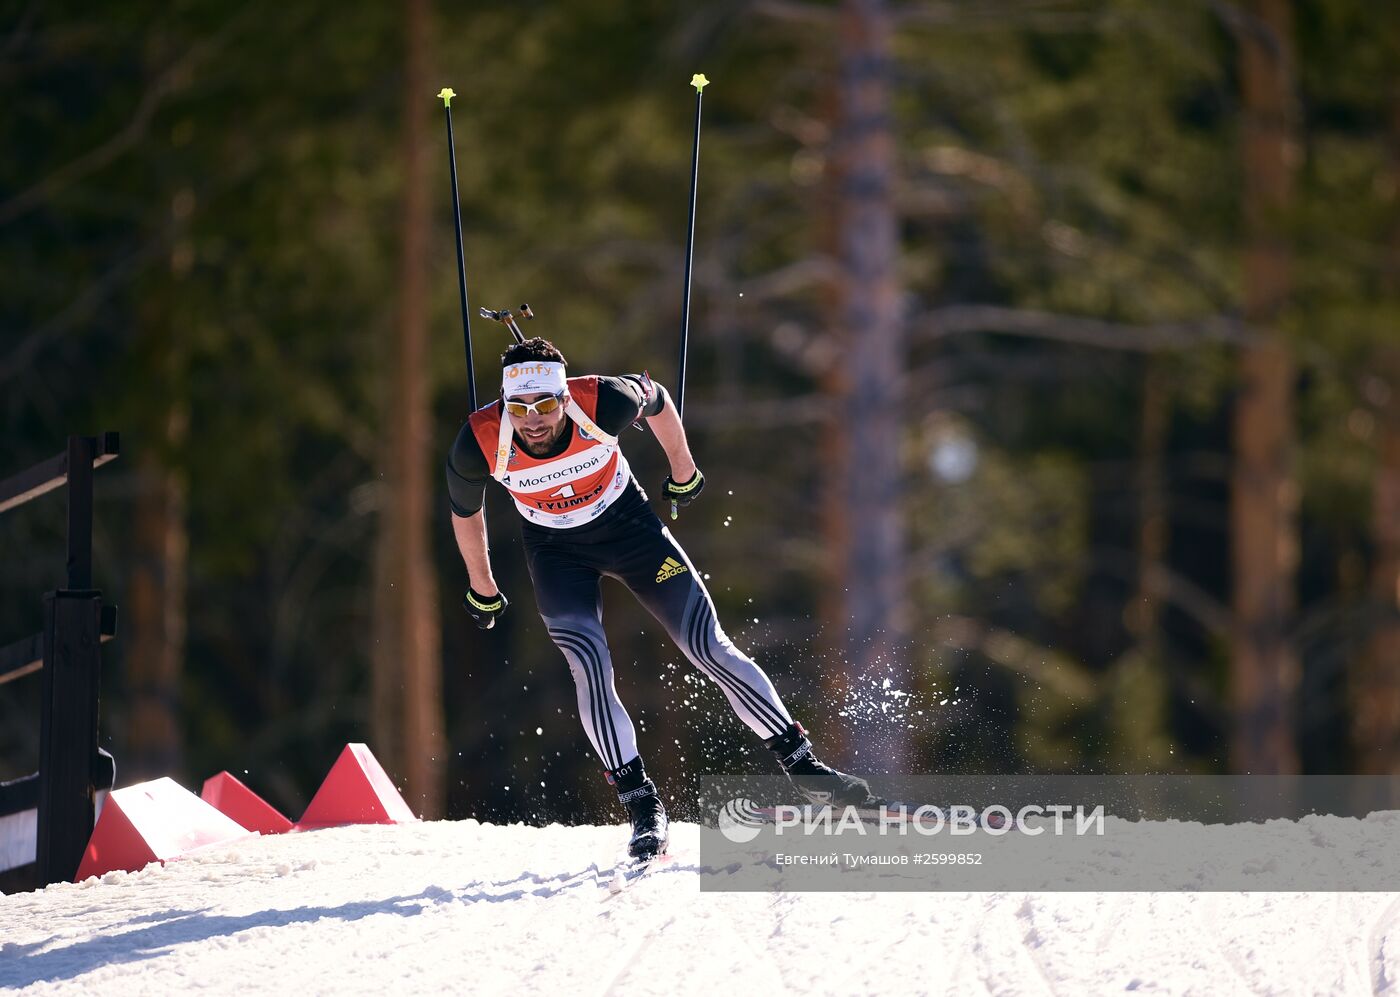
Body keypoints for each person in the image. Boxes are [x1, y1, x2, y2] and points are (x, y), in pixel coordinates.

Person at [446, 337, 876, 860]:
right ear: (505, 405)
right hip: (555, 550)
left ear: (564, 396)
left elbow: (659, 399)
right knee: (589, 665)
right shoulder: (480, 438)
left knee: (707, 644)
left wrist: (683, 470)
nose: (533, 421)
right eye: (519, 408)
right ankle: (642, 805)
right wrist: (483, 586)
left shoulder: (602, 399)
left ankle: (805, 769)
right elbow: (466, 513)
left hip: (630, 528)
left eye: (545, 405)